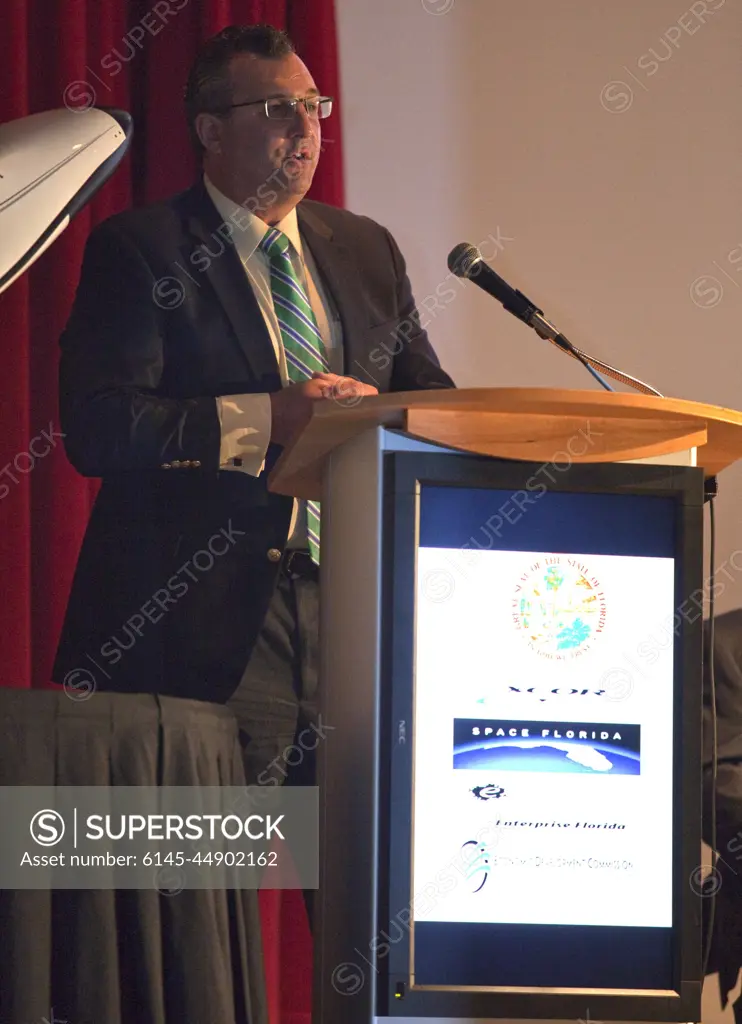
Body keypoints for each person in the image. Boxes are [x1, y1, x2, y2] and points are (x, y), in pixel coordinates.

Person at [53, 23, 454, 796]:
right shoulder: (143, 248)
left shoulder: (366, 249)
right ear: (210, 129)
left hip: (352, 619)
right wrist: (269, 418)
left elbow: (425, 396)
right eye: (278, 109)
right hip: (199, 625)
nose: (307, 129)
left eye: (314, 105)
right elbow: (101, 426)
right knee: (194, 884)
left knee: (360, 891)